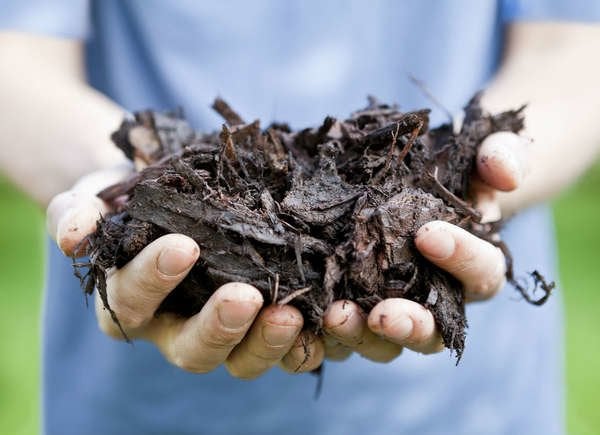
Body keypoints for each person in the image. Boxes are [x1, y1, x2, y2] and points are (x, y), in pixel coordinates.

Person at [1, 1, 599, 434]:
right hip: (138, 405)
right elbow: (17, 56)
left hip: (471, 409)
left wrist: (483, 169)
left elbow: (571, 46)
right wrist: (113, 183)